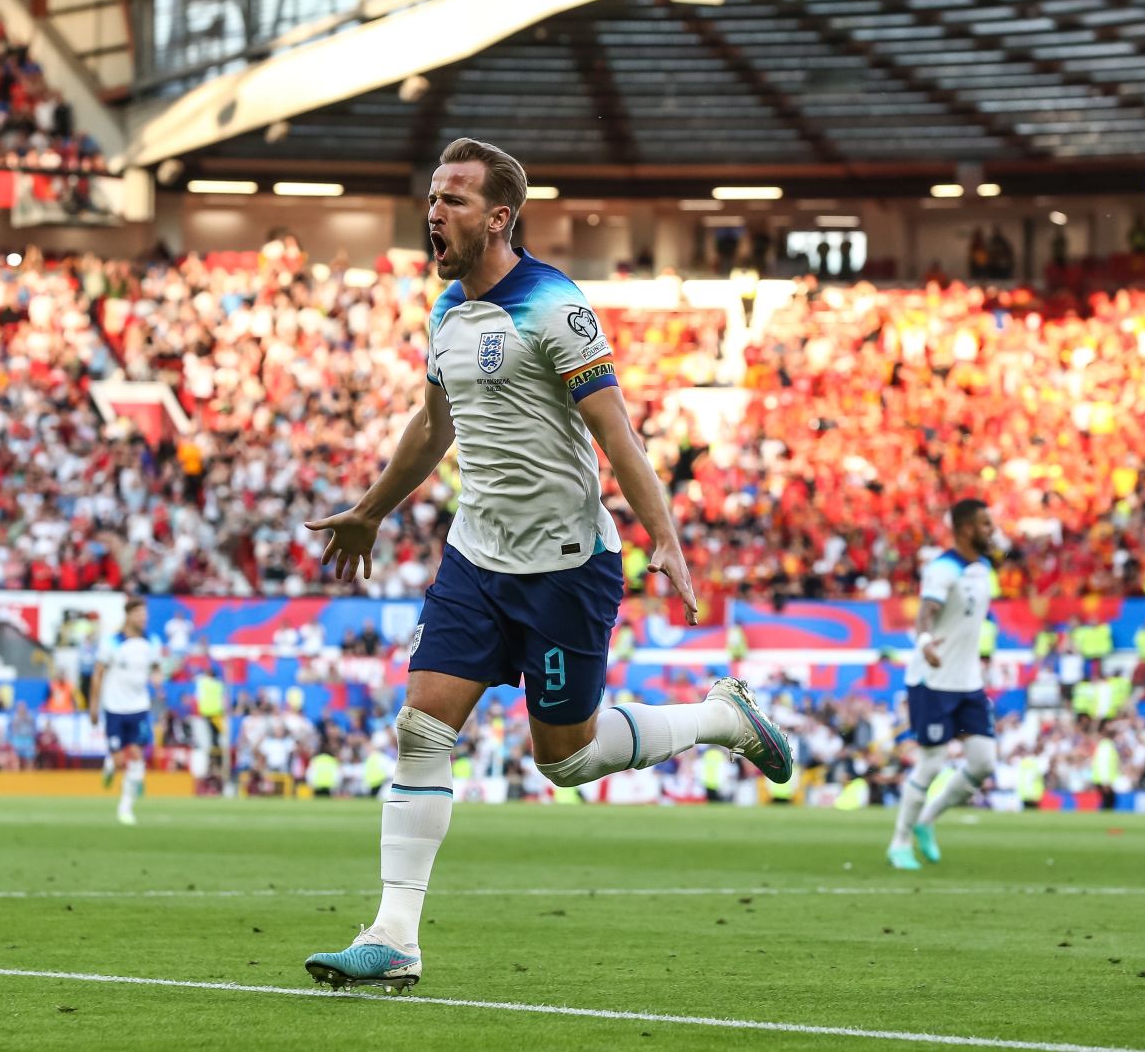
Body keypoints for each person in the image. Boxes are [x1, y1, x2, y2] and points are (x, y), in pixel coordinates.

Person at [301, 137, 791, 994]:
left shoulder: (555, 306)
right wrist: (372, 509)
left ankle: (722, 717)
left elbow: (616, 432)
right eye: (432, 197)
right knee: (421, 726)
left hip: (567, 563)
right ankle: (394, 935)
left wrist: (665, 539)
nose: (434, 213)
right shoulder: (447, 314)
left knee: (563, 758)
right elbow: (433, 425)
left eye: (453, 200)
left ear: (499, 217)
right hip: (477, 554)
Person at [887, 499, 998, 871]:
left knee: (983, 762)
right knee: (931, 763)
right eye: (985, 524)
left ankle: (926, 820)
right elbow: (925, 614)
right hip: (932, 681)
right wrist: (924, 644)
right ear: (966, 529)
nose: (991, 530)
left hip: (968, 683)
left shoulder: (983, 568)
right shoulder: (942, 569)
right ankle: (899, 841)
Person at [89, 597, 158, 825]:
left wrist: (158, 679)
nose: (144, 618)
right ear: (128, 616)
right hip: (115, 707)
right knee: (120, 761)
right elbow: (98, 673)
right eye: (139, 614)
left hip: (139, 707)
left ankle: (125, 808)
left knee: (137, 756)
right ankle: (111, 765)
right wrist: (93, 704)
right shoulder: (112, 643)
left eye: (145, 614)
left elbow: (156, 668)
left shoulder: (152, 642)